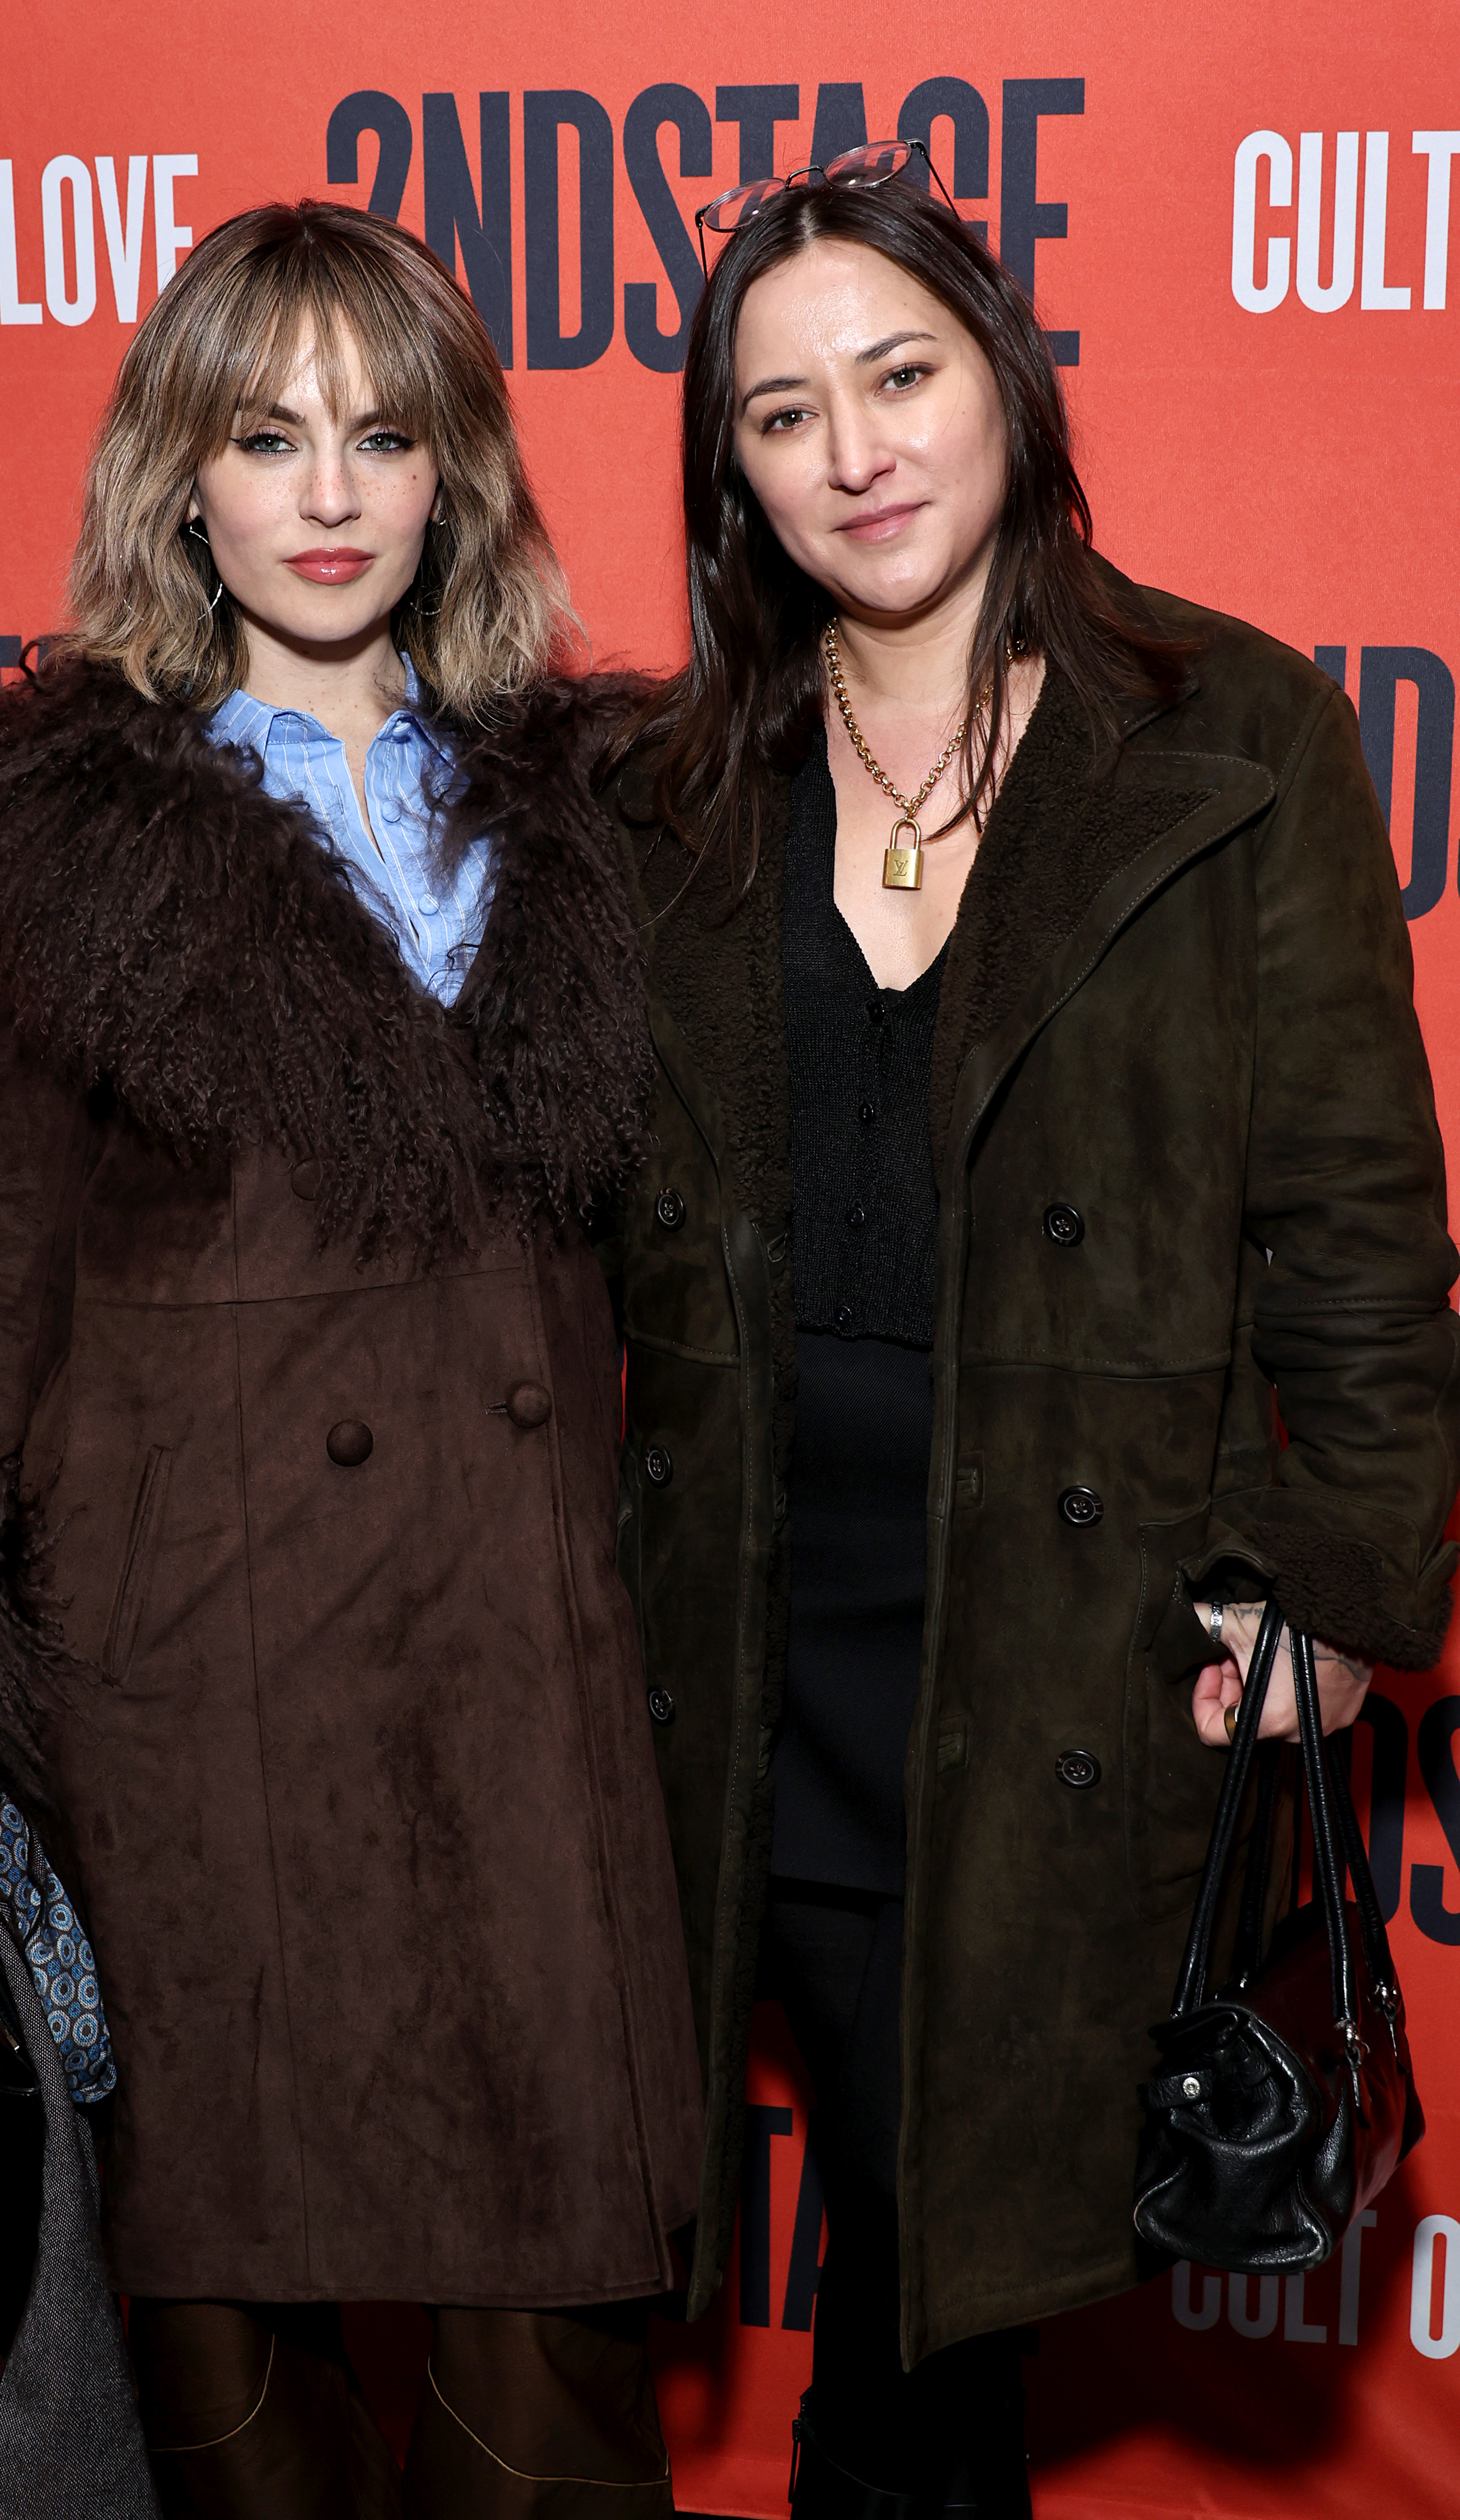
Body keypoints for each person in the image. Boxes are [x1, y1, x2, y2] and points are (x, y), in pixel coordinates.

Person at [0, 198, 704, 2520]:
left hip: (515, 1670)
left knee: (547, 2382)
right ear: (183, 478)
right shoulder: (78, 840)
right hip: (202, 1663)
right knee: (230, 2382)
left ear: (453, 472)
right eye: (267, 436)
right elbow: (4, 1243)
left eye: (385, 434)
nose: (331, 492)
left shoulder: (592, 812)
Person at [600, 146, 1460, 2517]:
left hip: (1043, 1652)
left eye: (900, 374)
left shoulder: (1232, 737)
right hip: (714, 1633)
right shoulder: (658, 795)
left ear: (1006, 384)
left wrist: (1336, 1584)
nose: (854, 449)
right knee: (607, 2261)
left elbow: (1366, 1234)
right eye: (782, 413)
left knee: (922, 2298)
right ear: (732, 476)